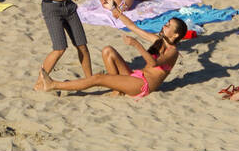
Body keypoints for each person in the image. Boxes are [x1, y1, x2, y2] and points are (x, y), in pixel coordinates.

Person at [36, 9, 187, 98]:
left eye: (168, 26)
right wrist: (115, 11)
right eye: (166, 23)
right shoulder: (158, 40)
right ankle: (117, 89)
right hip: (136, 76)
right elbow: (133, 27)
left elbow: (153, 63)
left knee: (99, 78)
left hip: (143, 85)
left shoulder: (173, 52)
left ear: (175, 35)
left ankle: (54, 85)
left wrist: (136, 45)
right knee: (108, 50)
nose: (164, 26)